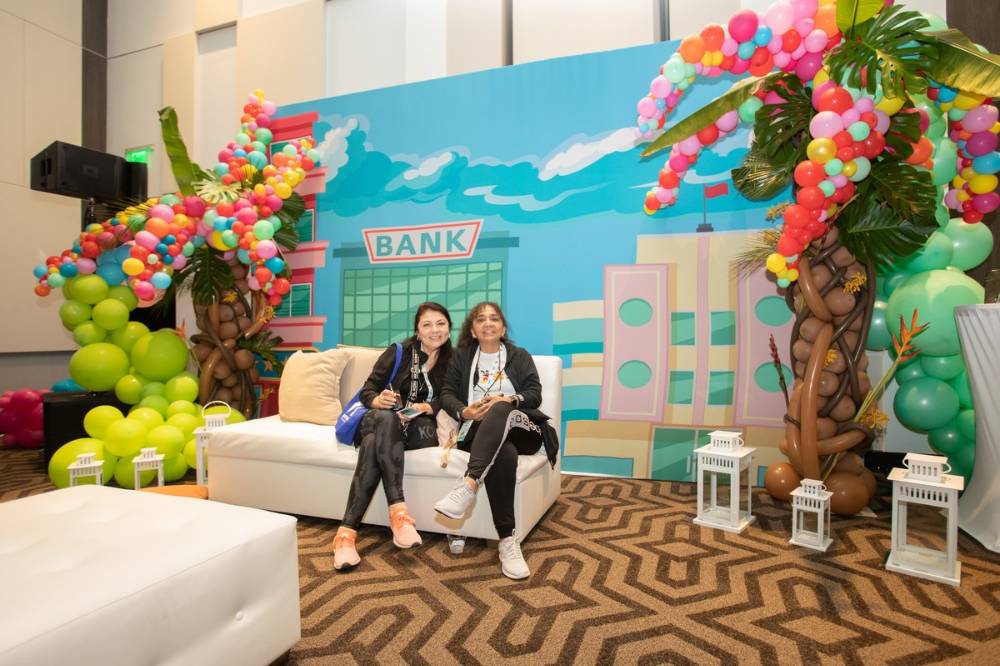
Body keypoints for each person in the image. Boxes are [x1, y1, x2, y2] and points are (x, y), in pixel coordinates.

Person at [433, 302, 554, 580]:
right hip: (478, 431)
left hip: (523, 430)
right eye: (481, 319)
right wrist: (464, 411)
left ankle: (469, 484)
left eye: (494, 318)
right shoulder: (462, 358)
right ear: (472, 331)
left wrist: (509, 399)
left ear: (502, 327)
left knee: (499, 408)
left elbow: (534, 393)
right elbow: (447, 393)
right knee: (504, 454)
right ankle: (508, 541)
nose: (488, 323)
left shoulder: (519, 356)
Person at [333, 302, 453, 570]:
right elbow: (368, 390)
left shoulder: (454, 361)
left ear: (449, 328)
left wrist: (424, 407)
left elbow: (452, 399)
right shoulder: (399, 351)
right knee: (385, 421)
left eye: (440, 323)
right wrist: (379, 400)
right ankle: (399, 514)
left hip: (419, 429)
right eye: (427, 324)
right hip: (380, 420)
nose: (434, 330)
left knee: (373, 443)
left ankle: (345, 536)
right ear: (417, 330)